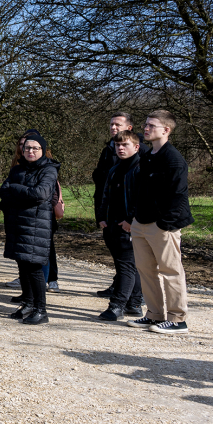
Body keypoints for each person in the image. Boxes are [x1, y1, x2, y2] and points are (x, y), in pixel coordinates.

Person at [127, 110, 194, 334]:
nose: (145, 129)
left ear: (166, 130)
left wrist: (166, 224)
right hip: (141, 223)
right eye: (146, 124)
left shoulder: (174, 159)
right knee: (146, 270)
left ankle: (177, 320)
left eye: (151, 126)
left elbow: (178, 196)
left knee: (171, 271)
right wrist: (134, 218)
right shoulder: (146, 156)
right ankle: (154, 315)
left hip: (163, 225)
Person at [0, 131, 59, 325]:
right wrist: (19, 193)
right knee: (22, 266)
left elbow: (40, 194)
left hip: (36, 226)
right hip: (17, 224)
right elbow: (4, 192)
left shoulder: (49, 170)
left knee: (34, 268)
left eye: (35, 148)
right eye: (27, 148)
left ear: (43, 150)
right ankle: (28, 303)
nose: (30, 151)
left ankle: (41, 310)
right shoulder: (17, 169)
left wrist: (16, 189)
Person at [97, 130, 144, 321]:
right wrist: (101, 217)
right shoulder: (114, 169)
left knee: (127, 266)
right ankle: (134, 303)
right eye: (117, 145)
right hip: (112, 225)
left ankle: (116, 306)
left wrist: (131, 220)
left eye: (125, 145)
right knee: (127, 266)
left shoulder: (140, 168)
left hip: (130, 226)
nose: (120, 148)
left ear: (136, 146)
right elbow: (105, 196)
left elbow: (142, 198)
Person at [92, 112, 136, 297]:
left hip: (126, 216)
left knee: (129, 258)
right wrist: (101, 215)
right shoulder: (108, 149)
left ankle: (132, 298)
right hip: (108, 211)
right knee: (118, 257)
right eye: (111, 124)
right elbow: (102, 182)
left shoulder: (137, 153)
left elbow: (136, 192)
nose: (113, 128)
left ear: (129, 128)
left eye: (117, 124)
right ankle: (118, 286)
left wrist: (131, 218)